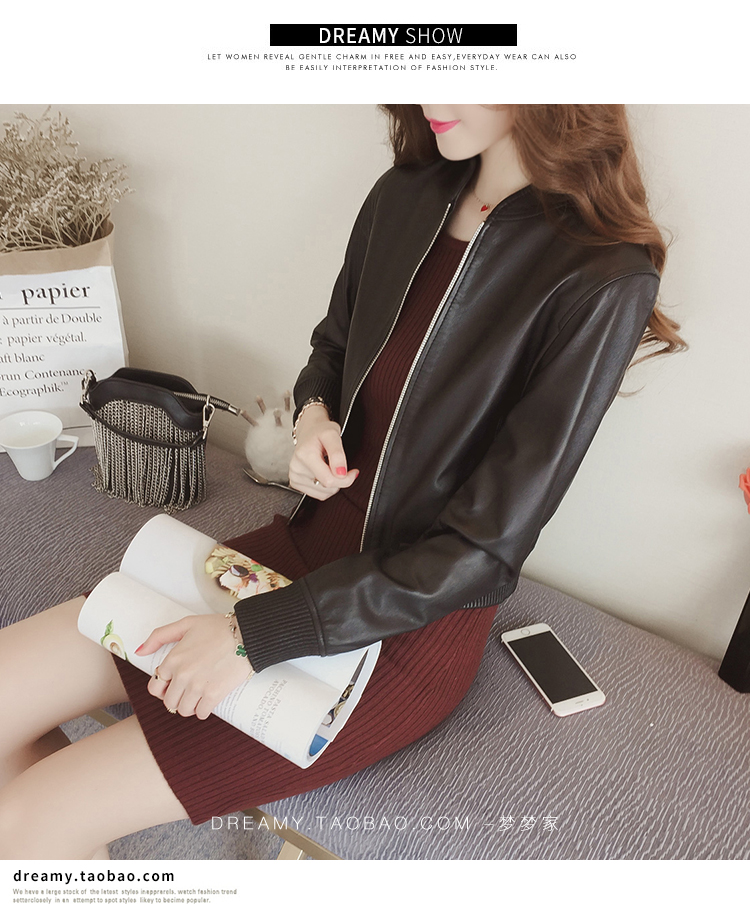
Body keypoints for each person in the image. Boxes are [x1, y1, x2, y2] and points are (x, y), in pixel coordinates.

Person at [0, 105, 686, 859]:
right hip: (292, 553)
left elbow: (483, 554)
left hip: (400, 629)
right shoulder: (408, 192)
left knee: (31, 818)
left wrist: (251, 636)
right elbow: (332, 347)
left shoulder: (603, 275)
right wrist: (312, 421)